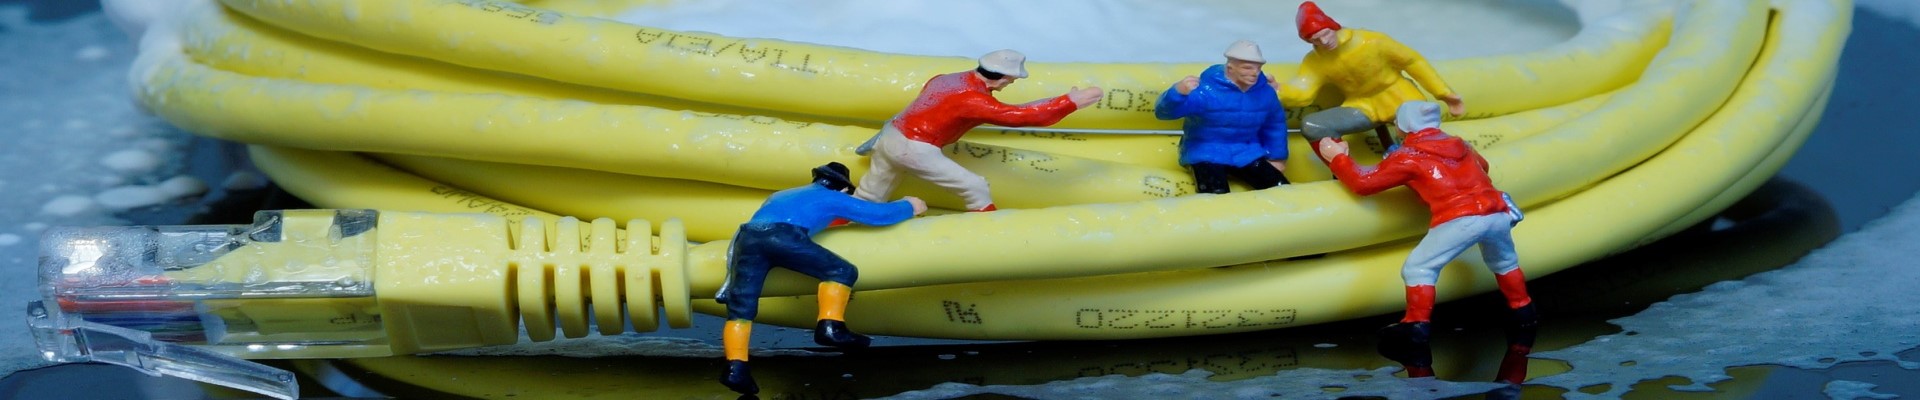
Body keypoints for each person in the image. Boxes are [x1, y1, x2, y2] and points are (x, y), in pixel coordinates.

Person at [1313, 101, 1536, 344]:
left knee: (1418, 268)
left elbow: (1363, 183)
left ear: (1404, 125)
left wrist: (1338, 158)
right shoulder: (1460, 144)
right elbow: (1483, 166)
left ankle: (1415, 325)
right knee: (1504, 261)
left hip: (1460, 218)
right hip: (1497, 213)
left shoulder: (1408, 157)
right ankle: (1523, 311)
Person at [715, 162, 927, 395]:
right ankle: (831, 326)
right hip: (784, 236)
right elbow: (875, 215)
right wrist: (909, 205)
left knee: (741, 307)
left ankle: (735, 367)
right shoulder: (831, 197)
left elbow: (739, 233)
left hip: (749, 238)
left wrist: (729, 278)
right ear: (843, 189)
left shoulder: (783, 195)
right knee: (842, 271)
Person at [854, 49, 1104, 212]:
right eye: (1012, 80)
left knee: (870, 194)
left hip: (890, 136)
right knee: (975, 187)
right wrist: (1069, 103)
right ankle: (987, 230)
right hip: (914, 147)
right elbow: (1019, 116)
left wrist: (1061, 99)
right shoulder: (973, 99)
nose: (1011, 84)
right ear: (1002, 78)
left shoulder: (946, 78)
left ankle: (843, 219)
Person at [1284, 1, 1464, 152]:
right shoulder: (1314, 61)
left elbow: (1412, 62)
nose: (1323, 42)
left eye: (1325, 34)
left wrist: (1444, 94)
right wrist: (1278, 90)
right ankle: (1342, 171)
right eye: (1315, 40)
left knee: (1423, 136)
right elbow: (1303, 90)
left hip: (1400, 95)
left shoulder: (1373, 41)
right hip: (1361, 105)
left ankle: (1431, 161)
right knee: (1312, 125)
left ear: (1333, 27)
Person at [1154, 39, 1293, 194]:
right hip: (1205, 150)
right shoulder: (1204, 92)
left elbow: (1274, 125)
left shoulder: (1265, 94)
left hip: (1247, 151)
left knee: (1279, 186)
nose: (1254, 73)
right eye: (1247, 68)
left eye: (1258, 68)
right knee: (1216, 192)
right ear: (1230, 68)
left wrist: (1276, 157)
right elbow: (1164, 113)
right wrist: (1177, 93)